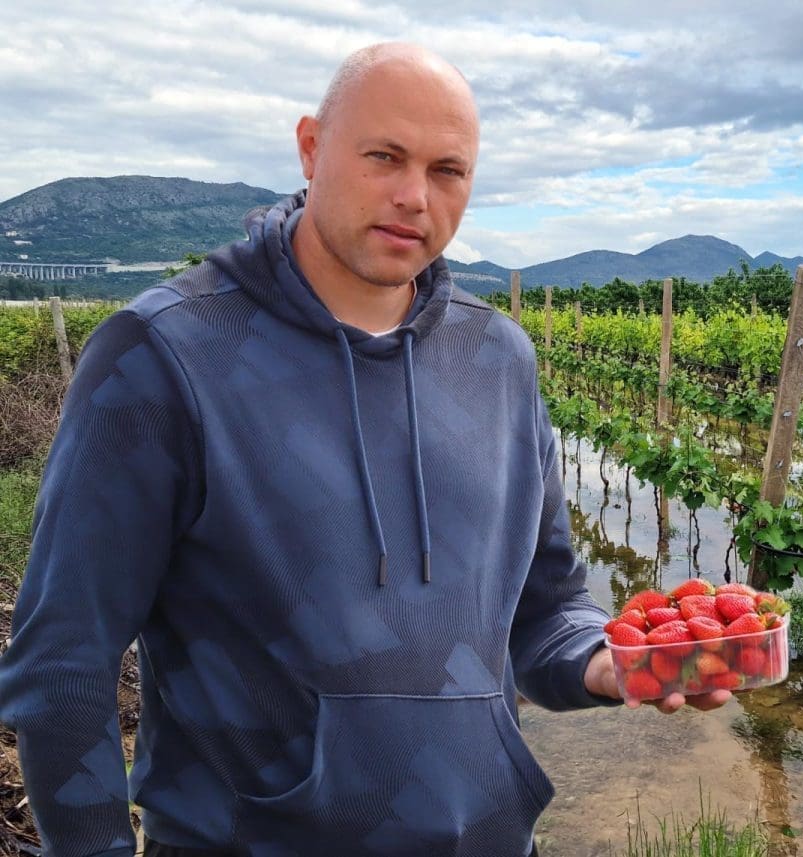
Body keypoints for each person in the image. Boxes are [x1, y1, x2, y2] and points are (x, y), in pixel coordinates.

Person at [0, 43, 729, 857]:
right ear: (312, 148)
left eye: (448, 170)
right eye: (384, 156)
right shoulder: (165, 353)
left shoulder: (497, 359)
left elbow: (546, 609)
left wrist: (613, 661)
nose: (414, 195)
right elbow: (63, 663)